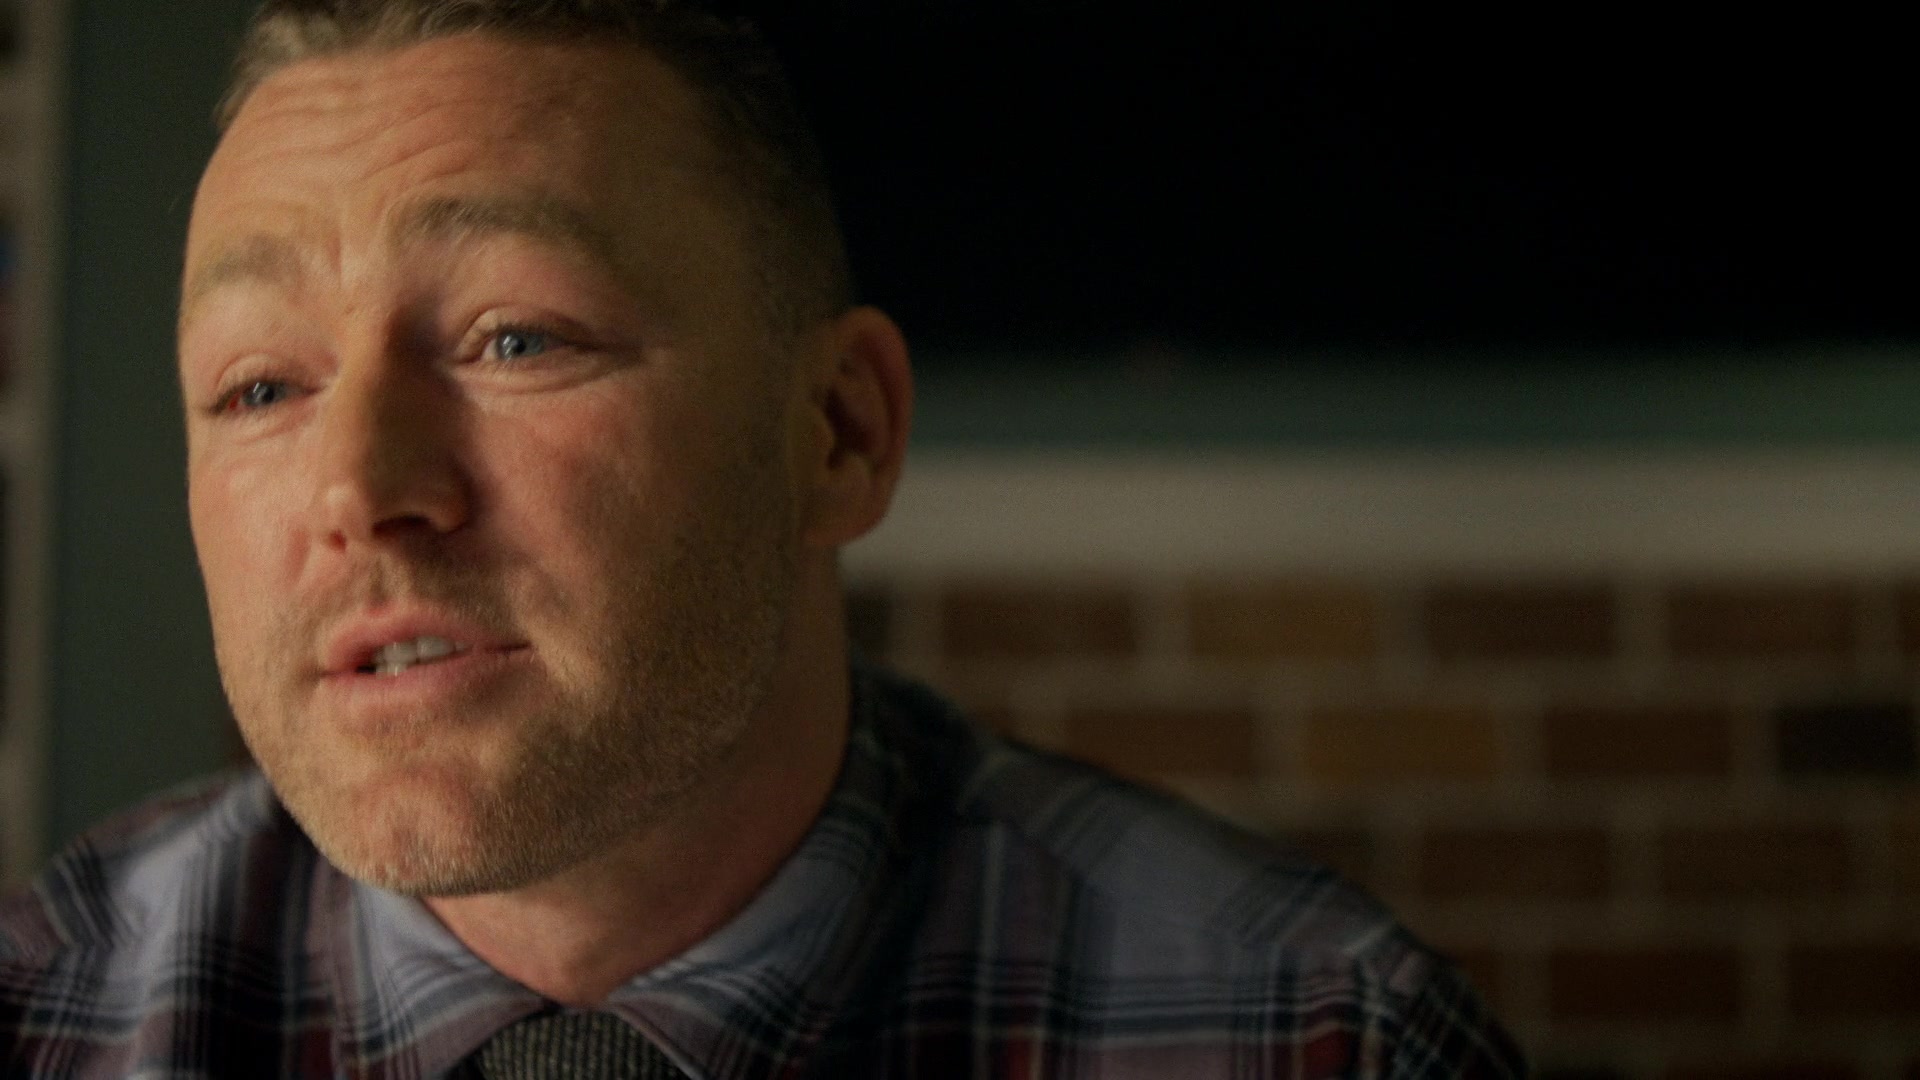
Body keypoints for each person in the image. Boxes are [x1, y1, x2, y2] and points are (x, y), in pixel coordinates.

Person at [1, 2, 1525, 1075]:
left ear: (839, 434)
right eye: (260, 386)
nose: (361, 486)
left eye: (516, 339)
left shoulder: (1311, 1041)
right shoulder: (47, 1018)